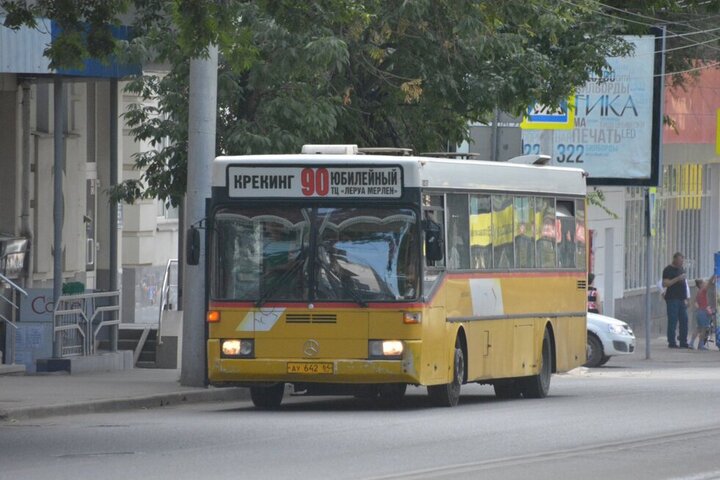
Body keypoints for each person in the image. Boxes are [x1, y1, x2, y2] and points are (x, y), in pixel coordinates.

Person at [662, 252, 690, 348]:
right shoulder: (668, 270)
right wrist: (677, 278)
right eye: (679, 260)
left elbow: (684, 284)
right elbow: (665, 283)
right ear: (674, 259)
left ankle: (683, 341)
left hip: (682, 299)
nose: (681, 262)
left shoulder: (681, 269)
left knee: (684, 320)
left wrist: (687, 298)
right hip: (672, 298)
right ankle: (672, 342)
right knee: (672, 320)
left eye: (682, 260)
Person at [689, 276, 716, 350]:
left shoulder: (698, 292)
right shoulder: (703, 290)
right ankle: (700, 345)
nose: (705, 283)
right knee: (703, 329)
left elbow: (694, 302)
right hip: (703, 312)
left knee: (698, 328)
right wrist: (714, 275)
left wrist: (699, 307)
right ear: (700, 284)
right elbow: (710, 282)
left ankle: (691, 343)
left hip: (699, 312)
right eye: (704, 282)